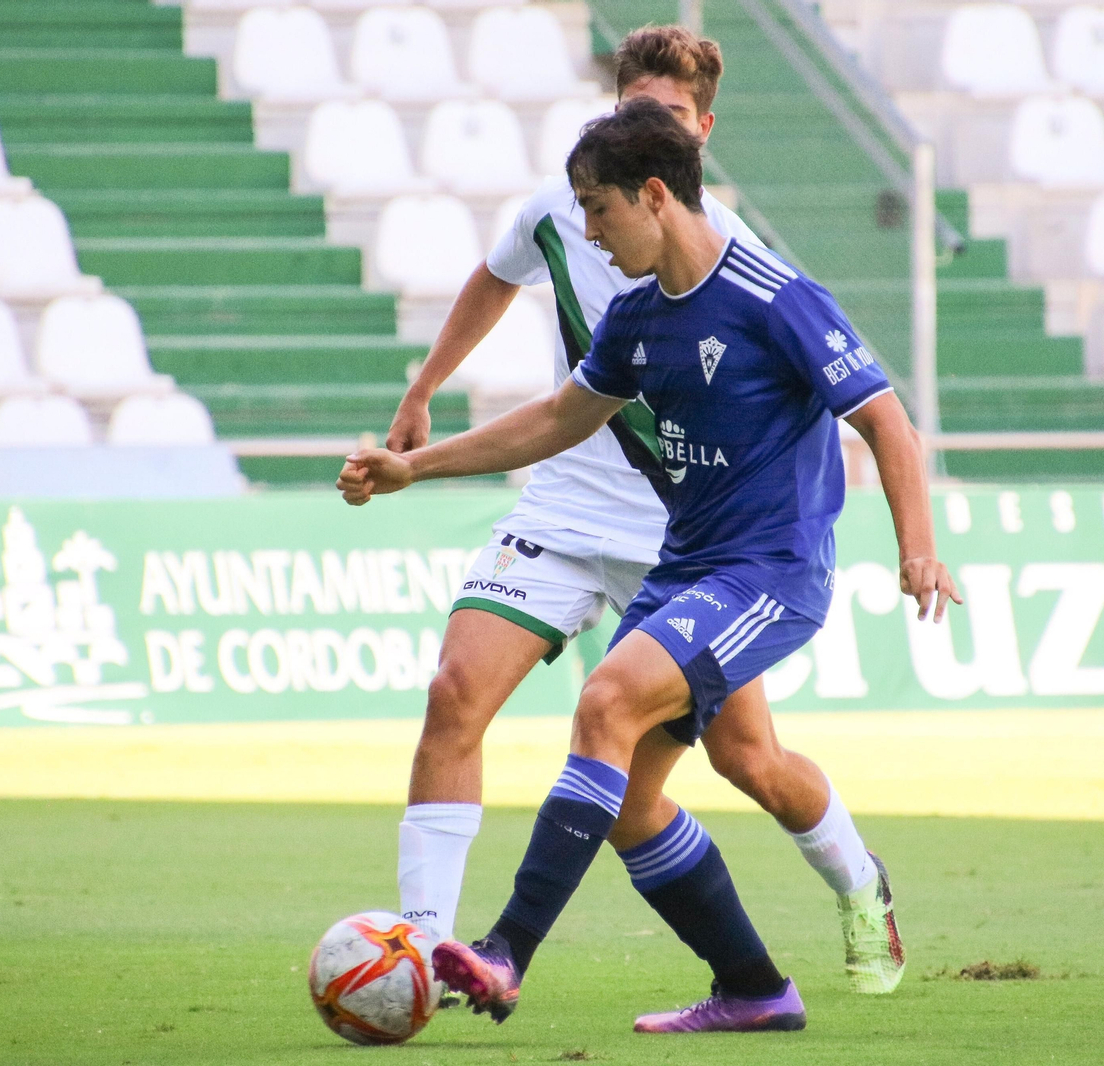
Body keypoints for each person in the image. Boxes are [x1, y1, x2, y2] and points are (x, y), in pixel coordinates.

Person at [341, 100, 959, 1032]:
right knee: (631, 803)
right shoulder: (635, 317)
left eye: (599, 209)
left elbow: (885, 418)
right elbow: (557, 420)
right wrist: (412, 468)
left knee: (607, 705)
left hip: (769, 572)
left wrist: (918, 548)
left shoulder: (771, 295)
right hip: (687, 570)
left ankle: (505, 952)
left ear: (656, 195)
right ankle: (753, 989)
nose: (587, 231)